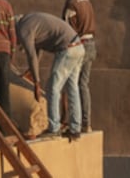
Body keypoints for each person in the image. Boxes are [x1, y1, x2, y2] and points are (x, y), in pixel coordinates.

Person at [16, 11, 85, 140]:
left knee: (53, 88)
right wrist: (31, 72)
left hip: (67, 49)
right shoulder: (30, 21)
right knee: (72, 89)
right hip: (78, 47)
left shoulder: (23, 29)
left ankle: (54, 128)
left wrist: (37, 83)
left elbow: (31, 56)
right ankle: (75, 129)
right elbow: (37, 52)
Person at [57, 0, 96, 133]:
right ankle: (86, 123)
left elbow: (68, 31)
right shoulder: (86, 0)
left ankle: (69, 122)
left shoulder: (71, 4)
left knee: (69, 83)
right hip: (91, 44)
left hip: (78, 45)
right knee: (83, 85)